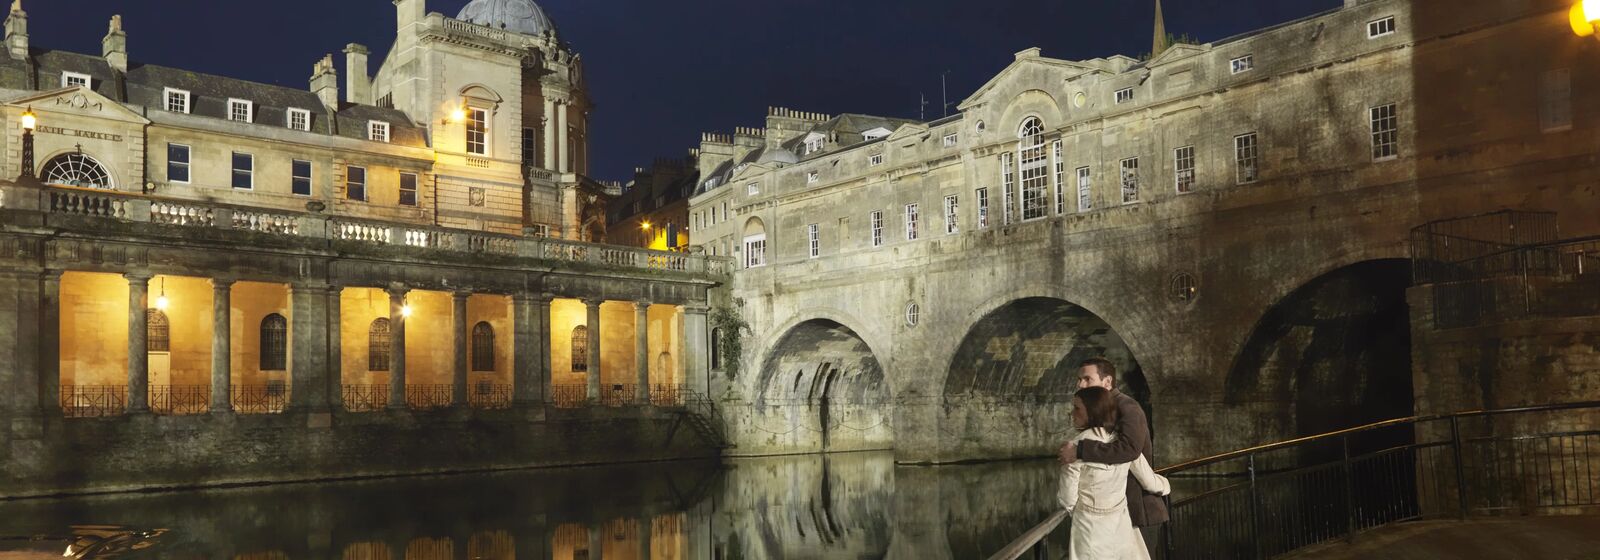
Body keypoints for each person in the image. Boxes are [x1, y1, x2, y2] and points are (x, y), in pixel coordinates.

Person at [1060, 358, 1170, 545]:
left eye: (1087, 379)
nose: (1080, 384)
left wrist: (1080, 450)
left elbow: (1130, 450)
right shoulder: (1104, 409)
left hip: (1138, 510)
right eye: (1079, 379)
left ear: (1108, 381)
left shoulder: (1127, 407)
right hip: (1116, 513)